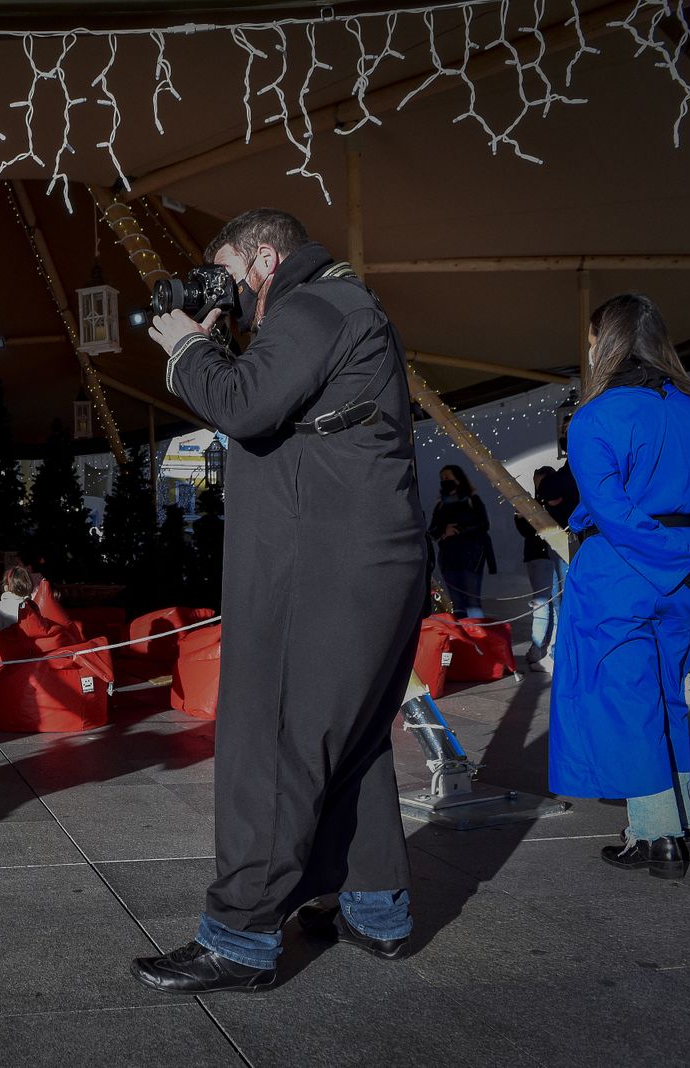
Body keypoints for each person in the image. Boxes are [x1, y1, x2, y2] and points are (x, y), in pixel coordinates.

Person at [138, 208, 424, 992]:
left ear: (265, 257)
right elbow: (279, 404)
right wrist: (219, 337)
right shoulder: (341, 305)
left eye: (225, 267)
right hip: (360, 563)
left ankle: (238, 938)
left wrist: (187, 346)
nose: (219, 285)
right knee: (353, 743)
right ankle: (377, 910)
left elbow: (243, 405)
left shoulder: (314, 306)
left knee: (273, 743)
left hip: (323, 567)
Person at [550, 293, 690, 881]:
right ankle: (667, 827)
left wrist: (681, 560)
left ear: (605, 341)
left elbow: (611, 511)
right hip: (684, 580)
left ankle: (659, 838)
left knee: (626, 703)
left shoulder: (597, 415)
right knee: (665, 700)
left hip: (620, 573)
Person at [514, 466, 568, 671]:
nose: (538, 486)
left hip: (551, 556)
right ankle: (544, 649)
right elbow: (526, 531)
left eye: (541, 481)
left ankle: (545, 650)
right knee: (547, 605)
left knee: (547, 605)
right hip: (537, 556)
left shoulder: (555, 501)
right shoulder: (535, 503)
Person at [428, 464, 495, 619]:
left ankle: (478, 639)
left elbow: (483, 524)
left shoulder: (472, 500)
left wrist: (459, 530)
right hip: (449, 559)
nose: (444, 481)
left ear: (458, 479)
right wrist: (444, 531)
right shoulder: (441, 505)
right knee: (457, 604)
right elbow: (432, 530)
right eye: (442, 478)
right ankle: (464, 640)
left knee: (473, 601)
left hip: (471, 557)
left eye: (448, 477)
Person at [0, 565, 36, 656]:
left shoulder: (1, 606)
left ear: (6, 587)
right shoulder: (32, 605)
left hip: (7, 650)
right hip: (29, 648)